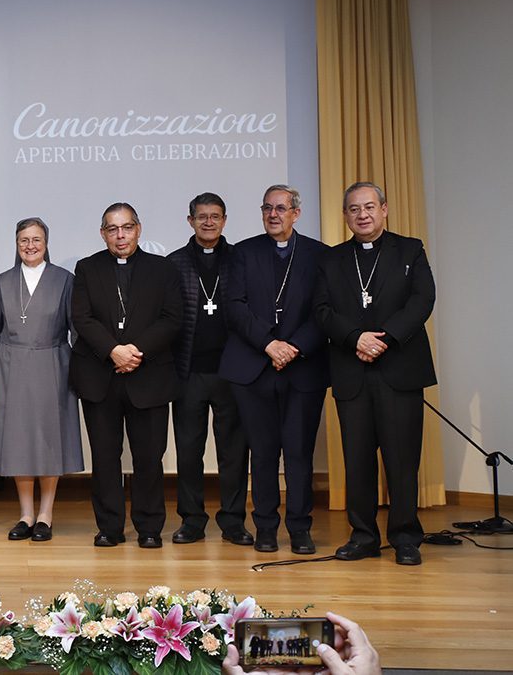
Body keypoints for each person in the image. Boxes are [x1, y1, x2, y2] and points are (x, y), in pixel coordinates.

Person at [314, 182, 436, 567]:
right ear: (345, 216)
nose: (362, 215)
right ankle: (363, 536)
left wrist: (385, 338)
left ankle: (405, 537)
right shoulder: (331, 259)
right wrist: (356, 338)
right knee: (357, 460)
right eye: (354, 209)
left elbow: (423, 299)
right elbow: (321, 310)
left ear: (384, 209)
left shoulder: (410, 250)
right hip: (352, 371)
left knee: (402, 460)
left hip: (398, 368)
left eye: (369, 207)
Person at [220, 184, 328, 555]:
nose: (273, 214)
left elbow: (324, 311)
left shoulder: (319, 254)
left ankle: (300, 528)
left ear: (296, 213)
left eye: (281, 208)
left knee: (299, 454)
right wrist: (269, 344)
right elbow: (234, 306)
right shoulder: (244, 252)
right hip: (254, 367)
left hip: (302, 369)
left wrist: (292, 347)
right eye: (267, 208)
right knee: (263, 454)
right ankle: (265, 527)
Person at [69, 202, 182, 548]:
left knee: (149, 457)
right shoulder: (87, 268)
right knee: (105, 458)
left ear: (139, 229)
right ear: (103, 233)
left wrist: (136, 351)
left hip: (149, 376)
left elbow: (172, 318)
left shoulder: (162, 269)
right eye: (113, 229)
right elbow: (82, 317)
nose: (120, 235)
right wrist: (113, 351)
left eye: (127, 227)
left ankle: (149, 528)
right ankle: (109, 527)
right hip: (100, 376)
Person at [0, 217, 82, 541]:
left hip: (53, 367)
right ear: (16, 244)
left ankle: (45, 515)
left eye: (36, 239)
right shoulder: (3, 281)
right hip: (10, 369)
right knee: (19, 441)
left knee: (49, 441)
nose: (30, 246)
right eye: (24, 240)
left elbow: (76, 331)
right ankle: (26, 514)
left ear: (46, 243)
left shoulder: (64, 280)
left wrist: (79, 372)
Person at [166, 193, 252, 546]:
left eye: (215, 216)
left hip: (232, 370)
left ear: (224, 220)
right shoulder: (173, 263)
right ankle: (192, 520)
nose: (208, 222)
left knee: (234, 452)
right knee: (189, 451)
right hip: (188, 372)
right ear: (190, 221)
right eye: (201, 216)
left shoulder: (240, 259)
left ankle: (233, 521)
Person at [223, 611, 382, 675]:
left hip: (297, 648)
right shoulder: (263, 641)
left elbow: (290, 644)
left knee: (298, 654)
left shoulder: (296, 641)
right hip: (273, 648)